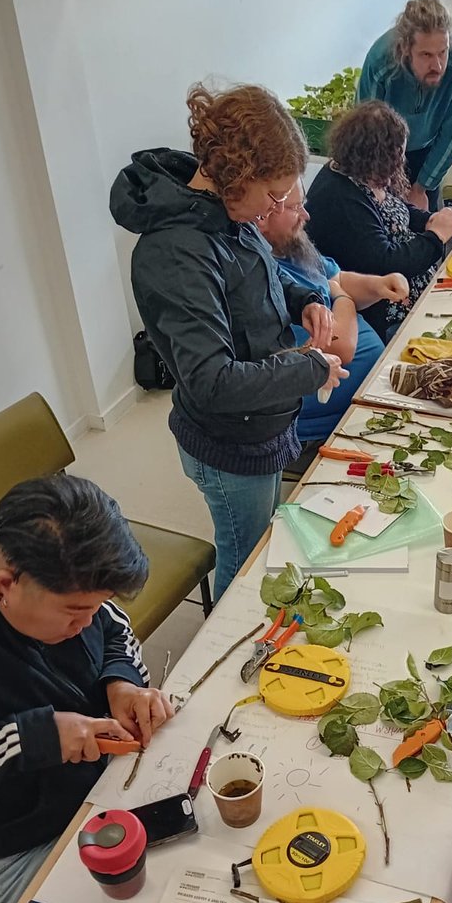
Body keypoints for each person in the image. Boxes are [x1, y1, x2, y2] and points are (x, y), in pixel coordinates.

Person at [111, 82, 347, 599]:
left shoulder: (225, 213)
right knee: (243, 565)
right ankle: (225, 652)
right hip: (228, 442)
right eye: (276, 195)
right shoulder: (178, 252)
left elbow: (254, 279)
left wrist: (303, 299)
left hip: (256, 428)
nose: (277, 208)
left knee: (261, 541)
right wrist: (311, 370)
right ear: (238, 176)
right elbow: (213, 381)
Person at [0, 475, 174, 903]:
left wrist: (121, 682)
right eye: (75, 613)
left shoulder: (35, 558)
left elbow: (112, 621)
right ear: (5, 585)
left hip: (73, 791)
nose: (88, 621)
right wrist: (32, 739)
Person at [257, 180, 410, 447]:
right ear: (262, 216)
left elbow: (336, 277)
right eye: (295, 207)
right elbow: (342, 347)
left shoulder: (290, 244)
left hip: (362, 403)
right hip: (326, 428)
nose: (306, 215)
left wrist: (380, 284)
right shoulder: (265, 274)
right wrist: (342, 298)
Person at [305, 101, 452, 340]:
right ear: (374, 156)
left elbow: (396, 210)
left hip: (410, 293)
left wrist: (430, 220)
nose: (400, 163)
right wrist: (436, 237)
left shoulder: (361, 174)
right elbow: (385, 262)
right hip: (386, 314)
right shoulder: (339, 196)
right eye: (396, 156)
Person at [358, 0, 452, 211]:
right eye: (426, 55)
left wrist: (421, 188)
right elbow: (367, 133)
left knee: (427, 228)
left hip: (429, 151)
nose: (438, 65)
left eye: (443, 52)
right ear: (405, 49)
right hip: (385, 152)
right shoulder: (380, 62)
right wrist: (381, 186)